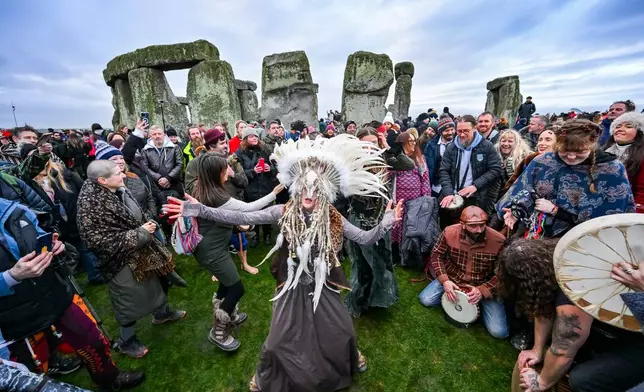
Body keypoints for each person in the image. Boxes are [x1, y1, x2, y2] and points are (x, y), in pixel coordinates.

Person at [162, 134, 403, 392]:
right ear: (297, 187)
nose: (309, 194)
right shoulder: (282, 212)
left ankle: (351, 357)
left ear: (324, 191)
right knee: (277, 342)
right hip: (290, 285)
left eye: (315, 189)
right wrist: (200, 210)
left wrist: (386, 221)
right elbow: (237, 214)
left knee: (342, 332)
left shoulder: (334, 217)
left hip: (325, 284)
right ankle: (266, 376)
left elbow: (365, 238)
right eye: (304, 188)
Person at [0, 198, 144, 390]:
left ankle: (110, 379)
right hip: (14, 319)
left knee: (93, 341)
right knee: (28, 376)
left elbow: (40, 235)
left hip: (54, 294)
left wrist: (55, 246)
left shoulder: (13, 208)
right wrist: (11, 276)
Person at [500, 239, 644, 392]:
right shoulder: (559, 267)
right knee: (537, 362)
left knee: (582, 379)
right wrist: (537, 349)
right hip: (611, 335)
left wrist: (541, 382)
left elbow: (564, 348)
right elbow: (544, 309)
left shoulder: (574, 289)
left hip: (635, 344)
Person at [77, 160, 186, 359]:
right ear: (102, 180)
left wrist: (148, 223)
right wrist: (140, 233)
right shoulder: (90, 205)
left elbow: (134, 210)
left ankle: (162, 314)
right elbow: (97, 241)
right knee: (128, 299)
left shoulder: (117, 187)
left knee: (158, 281)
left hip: (143, 248)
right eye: (118, 174)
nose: (124, 175)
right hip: (120, 261)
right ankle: (126, 341)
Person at [190, 154, 282, 350]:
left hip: (211, 247)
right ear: (217, 173)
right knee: (237, 288)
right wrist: (274, 193)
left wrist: (238, 226)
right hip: (212, 251)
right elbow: (248, 209)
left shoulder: (203, 188)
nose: (229, 172)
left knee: (226, 281)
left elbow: (220, 218)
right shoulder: (216, 196)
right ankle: (219, 331)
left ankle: (227, 312)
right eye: (226, 169)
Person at [498, 119, 634, 240]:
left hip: (587, 240)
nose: (571, 157)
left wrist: (557, 211)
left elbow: (610, 216)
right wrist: (516, 211)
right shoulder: (543, 161)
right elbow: (525, 189)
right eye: (565, 151)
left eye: (579, 152)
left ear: (592, 145)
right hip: (539, 234)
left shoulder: (611, 169)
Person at [419, 206, 509, 339]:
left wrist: (483, 291)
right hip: (453, 279)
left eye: (482, 225)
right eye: (473, 226)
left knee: (499, 332)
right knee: (425, 299)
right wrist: (445, 281)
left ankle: (475, 305)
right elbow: (436, 255)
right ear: (463, 225)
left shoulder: (498, 240)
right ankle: (462, 301)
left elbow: (503, 274)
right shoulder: (449, 232)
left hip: (482, 285)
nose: (479, 230)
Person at [344, 127, 401, 317]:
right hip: (359, 222)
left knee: (381, 262)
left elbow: (407, 164)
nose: (370, 148)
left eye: (373, 144)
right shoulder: (350, 165)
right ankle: (358, 301)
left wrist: (386, 147)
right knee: (361, 265)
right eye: (365, 144)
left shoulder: (384, 162)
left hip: (380, 221)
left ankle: (376, 299)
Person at [439, 115, 503, 219]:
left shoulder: (487, 146)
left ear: (474, 128)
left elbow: (495, 169)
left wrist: (475, 186)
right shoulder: (451, 147)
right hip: (453, 194)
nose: (462, 134)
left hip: (475, 196)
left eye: (466, 131)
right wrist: (448, 192)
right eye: (459, 131)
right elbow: (444, 171)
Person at [390, 131, 431, 266]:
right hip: (398, 198)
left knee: (411, 226)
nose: (413, 144)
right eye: (410, 141)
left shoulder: (419, 158)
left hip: (415, 198)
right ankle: (395, 255)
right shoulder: (395, 158)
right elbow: (389, 176)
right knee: (396, 226)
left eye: (414, 141)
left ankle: (410, 256)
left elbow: (425, 179)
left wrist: (426, 197)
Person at [235, 127, 276, 247]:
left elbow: (276, 167)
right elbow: (239, 173)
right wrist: (253, 171)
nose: (255, 138)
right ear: (245, 139)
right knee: (254, 213)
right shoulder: (239, 153)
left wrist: (270, 169)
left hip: (265, 186)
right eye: (251, 136)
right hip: (251, 188)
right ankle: (256, 235)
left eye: (256, 136)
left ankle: (268, 234)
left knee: (267, 212)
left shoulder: (265, 150)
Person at [604, 112, 644, 212]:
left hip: (627, 209)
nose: (620, 129)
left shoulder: (641, 156)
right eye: (618, 126)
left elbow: (642, 191)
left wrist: (636, 214)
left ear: (639, 132)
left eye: (628, 126)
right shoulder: (602, 152)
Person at [139, 125, 184, 199]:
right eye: (154, 134)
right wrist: (158, 178)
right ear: (150, 136)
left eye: (159, 134)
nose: (157, 136)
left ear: (164, 135)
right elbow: (145, 167)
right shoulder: (145, 150)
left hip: (174, 182)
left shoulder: (174, 147)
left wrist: (168, 177)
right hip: (156, 185)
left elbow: (180, 164)